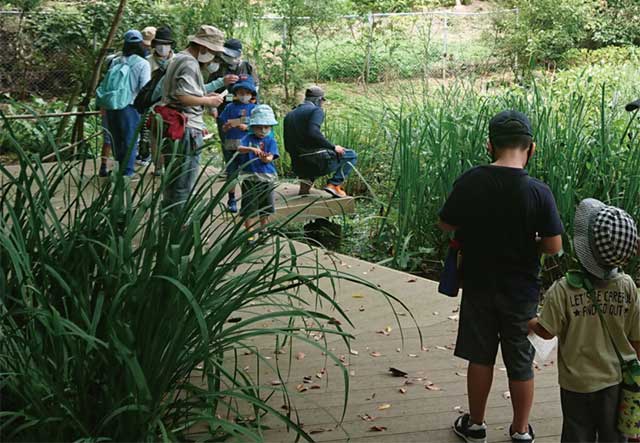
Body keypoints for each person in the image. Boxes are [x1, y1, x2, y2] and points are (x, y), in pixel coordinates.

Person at [438, 110, 564, 443]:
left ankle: (476, 424)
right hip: (521, 291)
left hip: (479, 286)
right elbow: (554, 246)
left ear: (489, 146)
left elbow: (446, 223)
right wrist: (531, 241)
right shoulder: (539, 192)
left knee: (480, 356)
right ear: (531, 148)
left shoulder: (471, 180)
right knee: (521, 360)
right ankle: (521, 431)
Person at [529, 198, 640, 443]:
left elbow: (546, 332)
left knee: (577, 433)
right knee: (613, 436)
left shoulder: (563, 289)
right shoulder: (627, 287)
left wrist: (528, 322)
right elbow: (637, 340)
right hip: (615, 381)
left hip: (575, 384)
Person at [160, 25, 225, 215]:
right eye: (212, 52)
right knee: (183, 183)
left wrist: (204, 94)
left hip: (176, 125)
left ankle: (169, 221)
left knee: (173, 180)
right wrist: (209, 100)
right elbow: (182, 96)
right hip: (186, 127)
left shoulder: (178, 57)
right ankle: (178, 228)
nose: (213, 57)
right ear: (203, 48)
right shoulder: (189, 63)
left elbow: (184, 91)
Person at [283, 86, 357, 198]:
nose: (322, 104)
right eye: (322, 101)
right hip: (315, 163)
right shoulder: (316, 110)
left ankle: (304, 190)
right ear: (318, 99)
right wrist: (333, 147)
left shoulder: (290, 114)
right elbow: (313, 133)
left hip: (297, 164)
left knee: (310, 155)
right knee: (351, 155)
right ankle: (334, 184)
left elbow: (288, 144)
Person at [101, 30, 151, 177]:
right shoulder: (143, 63)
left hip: (113, 105)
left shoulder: (116, 61)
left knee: (116, 140)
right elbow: (144, 88)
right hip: (130, 107)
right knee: (130, 141)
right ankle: (127, 174)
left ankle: (118, 170)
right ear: (141, 44)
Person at [236, 105, 279, 242]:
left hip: (266, 178)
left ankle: (263, 231)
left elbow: (270, 158)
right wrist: (251, 149)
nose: (263, 130)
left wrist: (265, 158)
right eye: (259, 127)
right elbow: (239, 148)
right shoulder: (248, 138)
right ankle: (249, 232)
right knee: (248, 207)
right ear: (253, 126)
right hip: (250, 178)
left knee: (265, 208)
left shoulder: (271, 141)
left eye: (266, 127)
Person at [217, 76, 257, 213]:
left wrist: (247, 127)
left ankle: (249, 200)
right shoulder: (229, 107)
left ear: (252, 94)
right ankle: (231, 199)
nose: (243, 96)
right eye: (240, 93)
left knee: (249, 173)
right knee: (232, 173)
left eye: (246, 93)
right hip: (232, 144)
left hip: (248, 145)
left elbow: (260, 128)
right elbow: (223, 126)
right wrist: (227, 127)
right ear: (235, 93)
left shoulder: (255, 108)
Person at [144, 26, 175, 174]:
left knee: (172, 136)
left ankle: (171, 166)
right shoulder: (147, 62)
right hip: (153, 107)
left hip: (173, 106)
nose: (163, 47)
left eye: (166, 44)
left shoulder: (178, 61)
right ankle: (158, 166)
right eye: (160, 43)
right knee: (155, 137)